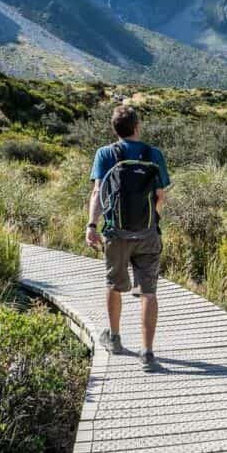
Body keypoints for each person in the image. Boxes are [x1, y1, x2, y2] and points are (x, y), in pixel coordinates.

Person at [86, 105, 171, 371]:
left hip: (116, 233)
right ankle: (147, 353)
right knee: (149, 292)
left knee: (113, 284)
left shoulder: (105, 154)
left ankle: (115, 338)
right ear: (137, 127)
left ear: (115, 129)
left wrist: (91, 225)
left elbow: (98, 193)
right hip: (147, 233)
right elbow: (161, 195)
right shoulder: (153, 154)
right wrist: (152, 220)